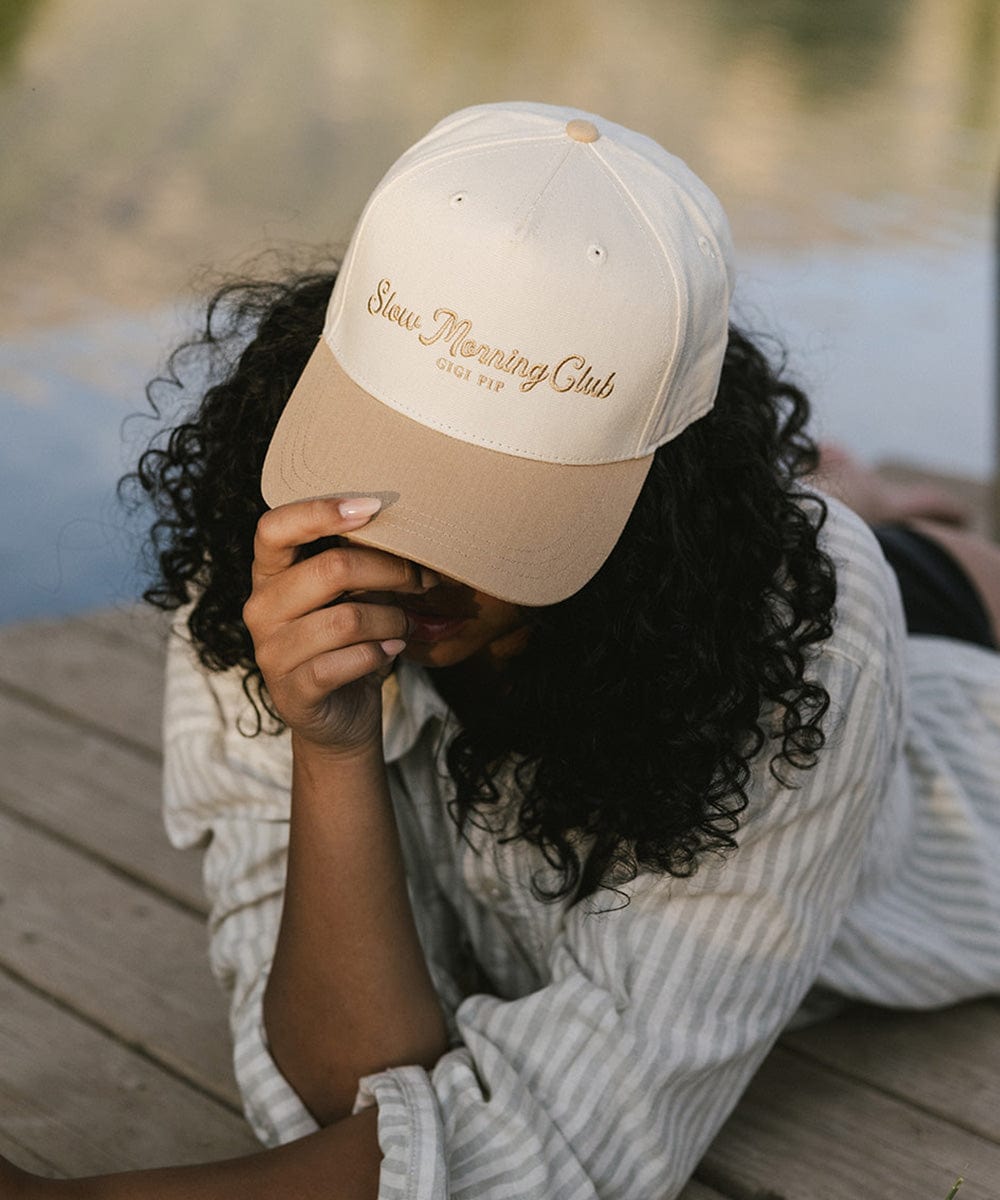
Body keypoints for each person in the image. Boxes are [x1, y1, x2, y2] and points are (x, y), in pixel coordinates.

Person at [4, 101, 1000, 1200]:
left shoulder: (799, 646)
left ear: (660, 494)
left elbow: (553, 1160)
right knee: (867, 540)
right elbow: (347, 1097)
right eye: (394, 469)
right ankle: (859, 495)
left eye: (488, 508)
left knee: (901, 575)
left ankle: (887, 522)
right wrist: (329, 754)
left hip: (939, 762)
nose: (413, 564)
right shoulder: (281, 551)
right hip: (741, 565)